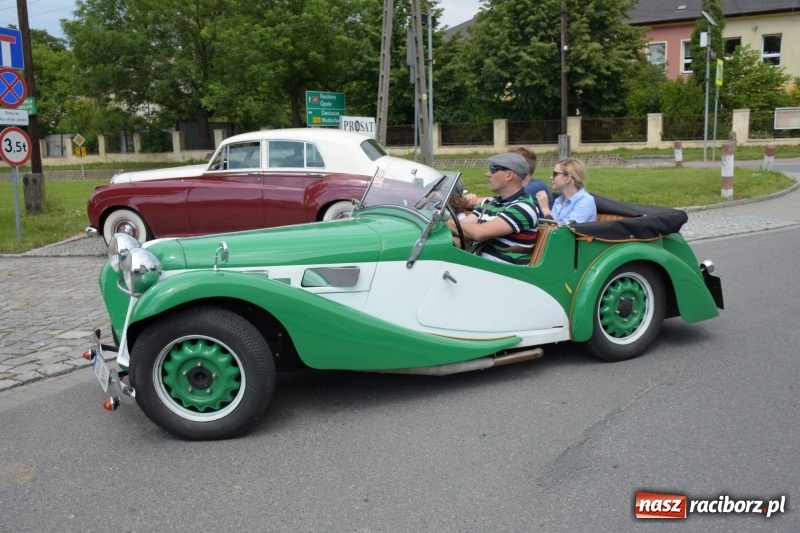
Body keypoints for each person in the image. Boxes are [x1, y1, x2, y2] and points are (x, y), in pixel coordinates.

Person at [447, 152, 539, 265]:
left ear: (509, 175)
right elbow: (461, 228)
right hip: (481, 267)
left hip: (504, 272)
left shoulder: (523, 208)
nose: (487, 174)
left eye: (493, 169)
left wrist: (444, 222)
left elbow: (479, 233)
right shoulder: (490, 203)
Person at [536, 157, 597, 224]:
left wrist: (545, 209)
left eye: (555, 174)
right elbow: (553, 226)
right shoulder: (559, 200)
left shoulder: (585, 201)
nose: (551, 177)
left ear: (568, 178)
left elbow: (566, 229)